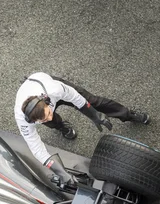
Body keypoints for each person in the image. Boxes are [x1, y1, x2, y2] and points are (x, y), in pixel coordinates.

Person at [14, 72, 150, 184]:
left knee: (94, 102)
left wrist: (94, 114)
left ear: (46, 102)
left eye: (49, 112)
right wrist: (60, 172)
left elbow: (76, 99)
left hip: (44, 83)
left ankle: (128, 114)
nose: (48, 116)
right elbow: (36, 148)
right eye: (42, 120)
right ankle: (62, 127)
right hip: (38, 102)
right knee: (52, 122)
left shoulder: (55, 89)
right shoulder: (23, 120)